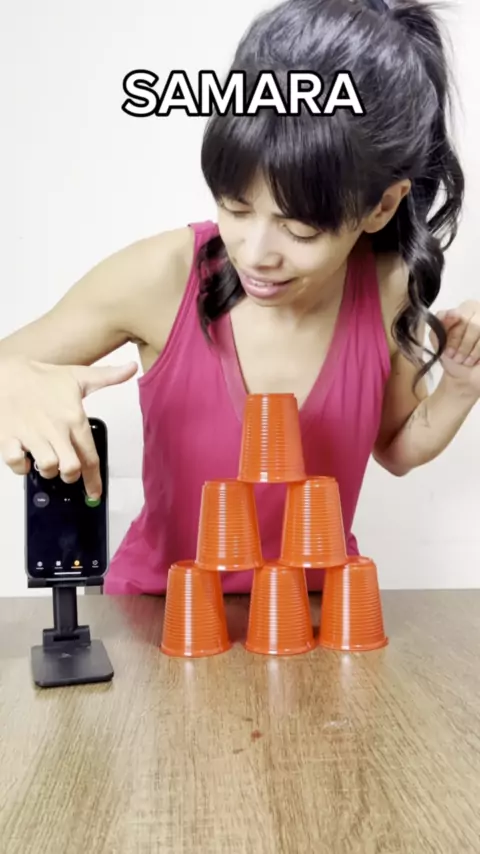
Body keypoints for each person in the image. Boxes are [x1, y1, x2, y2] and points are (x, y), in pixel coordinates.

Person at [0, 0, 479, 595]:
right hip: (161, 616)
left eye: (299, 230)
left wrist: (461, 386)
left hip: (316, 615)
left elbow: (396, 447)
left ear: (381, 206)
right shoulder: (163, 275)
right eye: (235, 207)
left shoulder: (386, 288)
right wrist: (15, 383)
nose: (255, 253)